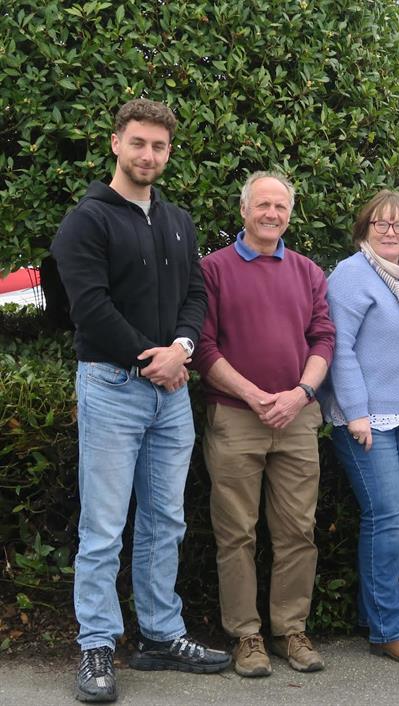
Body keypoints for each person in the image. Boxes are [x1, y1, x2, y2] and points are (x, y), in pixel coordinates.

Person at [51, 99, 229, 703]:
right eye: (138, 143)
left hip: (170, 394)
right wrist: (149, 359)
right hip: (112, 388)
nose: (148, 155)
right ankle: (97, 645)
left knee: (165, 521)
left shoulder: (178, 220)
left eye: (158, 146)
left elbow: (195, 294)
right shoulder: (87, 220)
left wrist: (179, 348)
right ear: (115, 144)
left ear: (168, 152)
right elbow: (89, 308)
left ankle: (159, 634)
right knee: (102, 528)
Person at [192, 172, 335, 677]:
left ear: (289, 213)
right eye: (262, 205)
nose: (271, 214)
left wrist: (300, 394)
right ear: (244, 210)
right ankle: (246, 636)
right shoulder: (213, 269)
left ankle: (290, 630)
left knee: (298, 530)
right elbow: (202, 348)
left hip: (296, 417)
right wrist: (254, 395)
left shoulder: (308, 271)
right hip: (235, 418)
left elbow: (323, 339)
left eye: (280, 206)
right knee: (236, 532)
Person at [321, 189, 399, 664]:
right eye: (381, 224)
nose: (392, 233)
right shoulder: (351, 275)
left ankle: (373, 618)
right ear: (364, 229)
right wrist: (356, 413)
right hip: (368, 419)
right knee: (386, 518)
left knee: (386, 518)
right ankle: (388, 629)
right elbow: (340, 349)